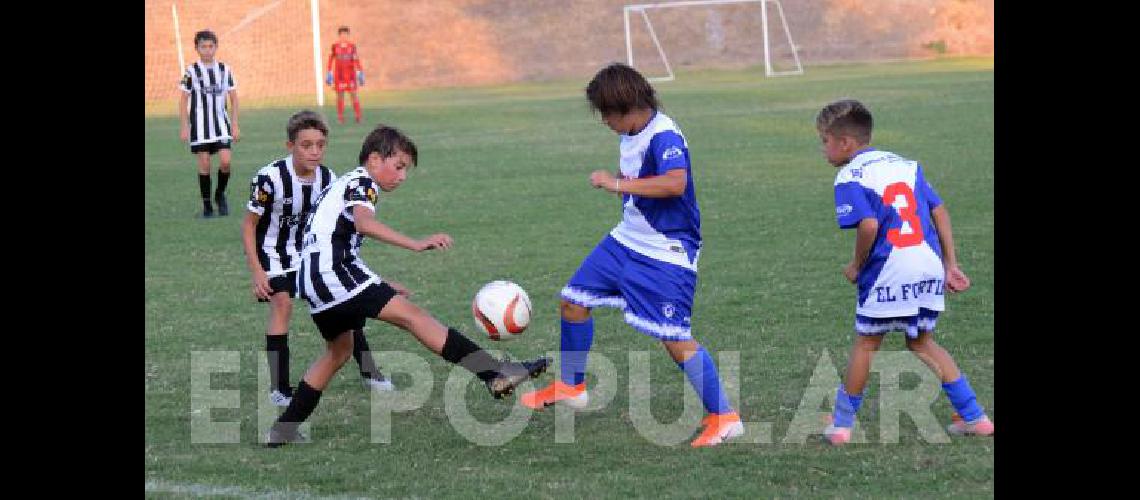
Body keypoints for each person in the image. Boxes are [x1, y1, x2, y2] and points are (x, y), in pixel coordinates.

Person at [267, 124, 550, 447]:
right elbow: (364, 223)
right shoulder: (362, 182)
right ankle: (495, 374)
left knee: (338, 352)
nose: (402, 176)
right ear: (374, 159)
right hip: (333, 275)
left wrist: (379, 282)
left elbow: (335, 241)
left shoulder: (343, 183)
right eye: (398, 166)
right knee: (414, 317)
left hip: (316, 280)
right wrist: (415, 244)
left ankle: (284, 428)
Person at [519, 63, 743, 448]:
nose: (604, 121)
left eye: (606, 112)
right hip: (626, 241)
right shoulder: (633, 131)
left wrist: (616, 183)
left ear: (626, 105)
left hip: (665, 252)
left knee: (674, 338)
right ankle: (572, 386)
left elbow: (676, 183)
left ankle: (725, 416)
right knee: (573, 302)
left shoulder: (664, 135)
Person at [815, 98, 994, 446]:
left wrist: (856, 265)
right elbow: (938, 209)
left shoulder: (850, 174)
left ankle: (840, 425)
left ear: (845, 143)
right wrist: (950, 263)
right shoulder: (906, 164)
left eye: (825, 140)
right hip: (927, 263)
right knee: (921, 341)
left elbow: (867, 225)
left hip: (888, 268)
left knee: (867, 343)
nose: (823, 149)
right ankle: (974, 416)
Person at [242, 110, 394, 408]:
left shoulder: (328, 178)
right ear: (290, 146)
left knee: (343, 303)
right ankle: (279, 388)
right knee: (282, 305)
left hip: (311, 253)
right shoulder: (269, 178)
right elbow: (248, 225)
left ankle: (370, 372)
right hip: (273, 254)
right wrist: (257, 271)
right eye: (306, 145)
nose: (314, 151)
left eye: (320, 145)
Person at [179, 29, 240, 218]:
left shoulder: (225, 69)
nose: (207, 50)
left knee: (225, 161)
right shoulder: (190, 71)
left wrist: (235, 124)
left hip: (221, 124)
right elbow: (182, 99)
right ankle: (207, 206)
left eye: (210, 46)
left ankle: (220, 195)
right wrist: (184, 126)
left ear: (216, 47)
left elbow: (234, 98)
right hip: (199, 126)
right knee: (204, 164)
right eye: (203, 46)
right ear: (197, 48)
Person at [326, 26, 365, 124]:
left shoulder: (352, 46)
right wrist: (329, 72)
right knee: (340, 96)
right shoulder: (335, 46)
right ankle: (340, 117)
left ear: (348, 35)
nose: (344, 36)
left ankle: (358, 116)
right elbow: (331, 59)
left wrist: (360, 72)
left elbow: (356, 59)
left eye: (346, 34)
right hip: (339, 76)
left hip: (350, 75)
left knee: (354, 95)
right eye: (342, 34)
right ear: (339, 35)